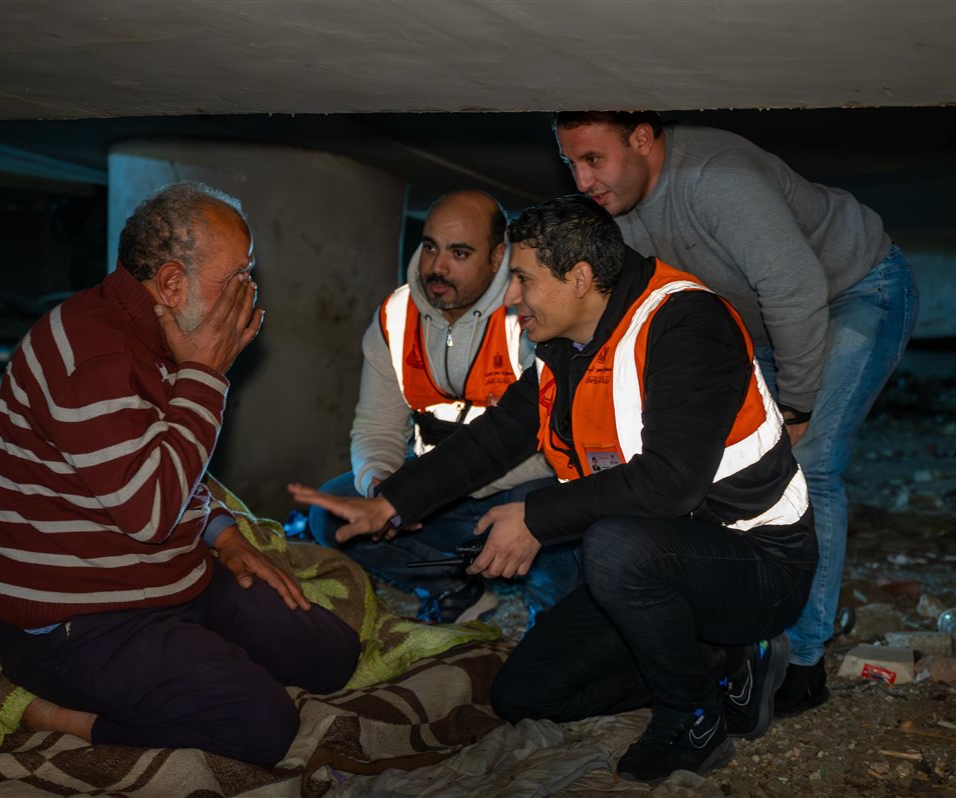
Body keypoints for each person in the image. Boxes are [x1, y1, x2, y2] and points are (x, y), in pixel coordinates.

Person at [291, 196, 817, 782]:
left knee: (613, 547)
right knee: (526, 696)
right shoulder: (565, 343)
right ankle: (724, 663)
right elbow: (495, 438)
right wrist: (390, 501)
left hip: (757, 562)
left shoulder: (688, 324)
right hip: (655, 561)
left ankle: (691, 715)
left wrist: (535, 519)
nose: (510, 297)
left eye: (522, 279)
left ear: (580, 279)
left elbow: (670, 484)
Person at [0, 182, 360, 768]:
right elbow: (148, 511)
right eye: (237, 278)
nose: (249, 294)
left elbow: (170, 461)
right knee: (262, 724)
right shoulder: (94, 354)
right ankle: (59, 715)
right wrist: (206, 375)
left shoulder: (164, 333)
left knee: (332, 656)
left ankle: (193, 654)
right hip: (76, 621)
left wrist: (223, 536)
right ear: (173, 283)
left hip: (167, 579)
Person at [555, 111, 919, 716]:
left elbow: (795, 289)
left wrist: (796, 405)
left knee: (808, 463)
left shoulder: (718, 178)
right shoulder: (617, 210)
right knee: (724, 467)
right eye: (570, 162)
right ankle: (744, 636)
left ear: (642, 138)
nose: (582, 179)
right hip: (762, 325)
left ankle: (803, 664)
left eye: (593, 159)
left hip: (851, 291)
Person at [308, 189, 578, 626]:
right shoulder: (396, 315)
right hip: (434, 494)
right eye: (431, 247)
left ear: (497, 257)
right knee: (332, 513)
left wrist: (426, 491)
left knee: (558, 516)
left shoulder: (529, 312)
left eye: (459, 253)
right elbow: (376, 426)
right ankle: (455, 590)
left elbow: (557, 443)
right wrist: (381, 487)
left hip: (514, 492)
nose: (437, 266)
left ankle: (549, 618)